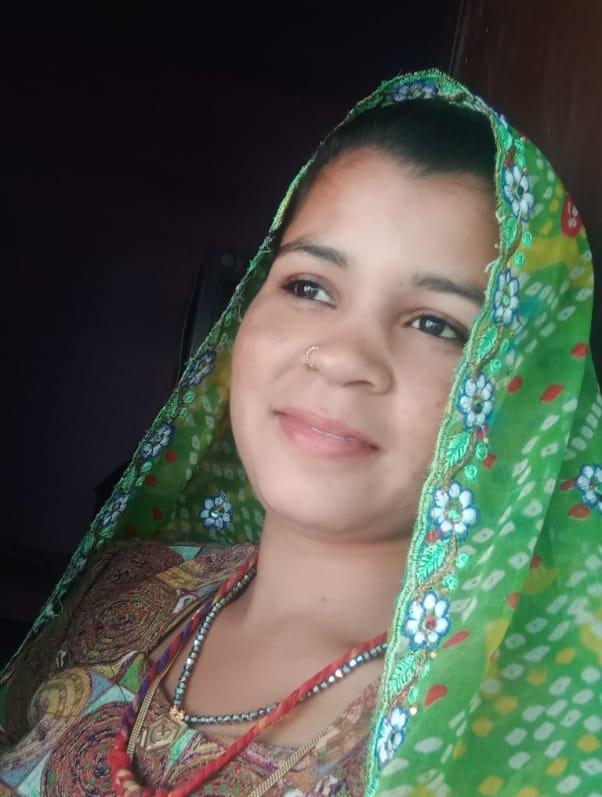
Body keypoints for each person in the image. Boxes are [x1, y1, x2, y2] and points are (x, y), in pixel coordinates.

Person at [0, 69, 599, 797]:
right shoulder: (122, 591)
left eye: (436, 324)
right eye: (309, 286)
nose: (343, 357)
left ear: (521, 395)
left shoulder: (491, 744)